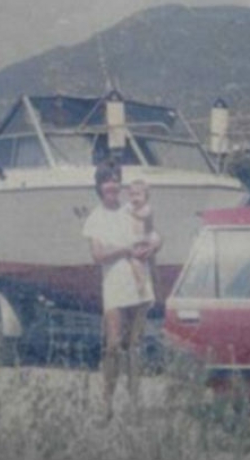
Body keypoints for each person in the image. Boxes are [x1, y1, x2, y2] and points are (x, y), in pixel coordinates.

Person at [82, 161, 161, 422]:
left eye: (115, 179)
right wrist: (125, 250)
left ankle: (135, 407)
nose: (112, 185)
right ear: (99, 187)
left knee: (134, 347)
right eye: (107, 180)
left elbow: (153, 233)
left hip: (139, 286)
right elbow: (97, 255)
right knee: (113, 346)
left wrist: (156, 245)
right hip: (115, 288)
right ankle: (107, 405)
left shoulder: (132, 209)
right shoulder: (95, 217)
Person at [126, 179, 161, 302]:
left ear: (146, 197)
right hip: (135, 241)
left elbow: (143, 216)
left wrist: (131, 213)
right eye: (132, 195)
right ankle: (140, 284)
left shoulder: (147, 208)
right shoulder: (129, 208)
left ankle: (144, 284)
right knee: (135, 263)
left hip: (144, 239)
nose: (134, 198)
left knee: (143, 262)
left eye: (138, 195)